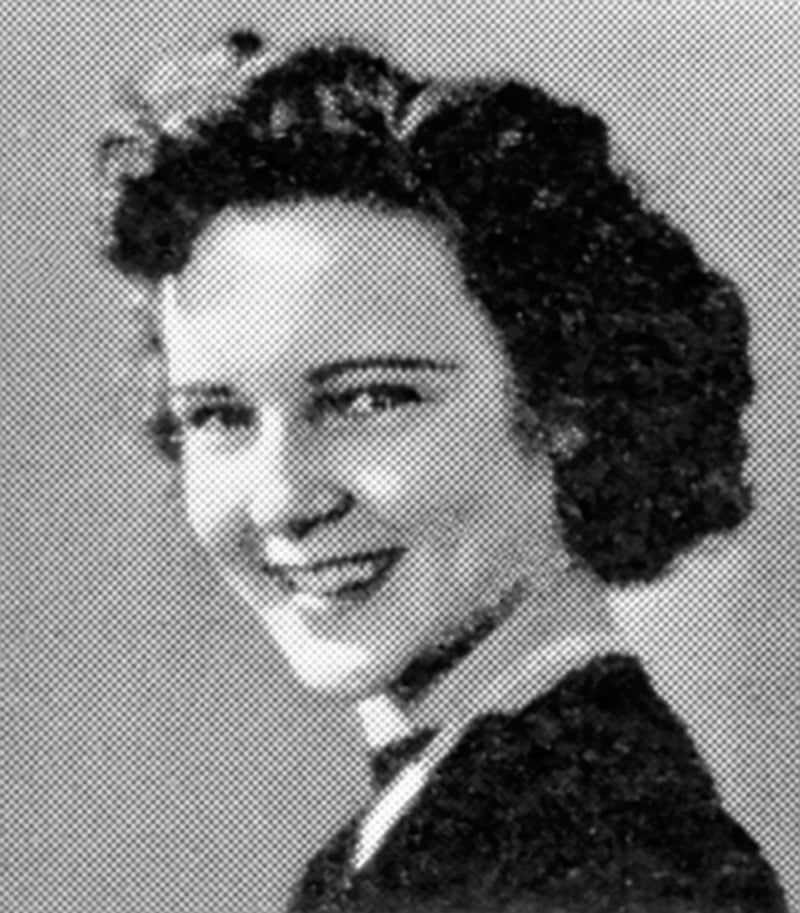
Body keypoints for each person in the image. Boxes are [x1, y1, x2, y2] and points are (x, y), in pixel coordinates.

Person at [97, 28, 788, 913]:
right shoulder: (405, 841)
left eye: (368, 400)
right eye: (220, 415)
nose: (280, 496)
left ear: (563, 397)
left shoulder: (619, 863)